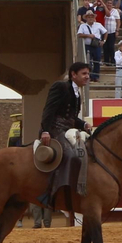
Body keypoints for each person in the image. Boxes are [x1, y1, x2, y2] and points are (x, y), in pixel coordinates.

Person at [33, 61, 91, 202]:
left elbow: (71, 117)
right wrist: (45, 131)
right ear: (73, 74)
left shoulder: (77, 93)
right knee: (70, 155)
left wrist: (84, 124)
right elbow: (49, 109)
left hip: (68, 128)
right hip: (55, 128)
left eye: (88, 73)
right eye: (84, 73)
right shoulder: (61, 86)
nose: (87, 77)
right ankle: (52, 192)